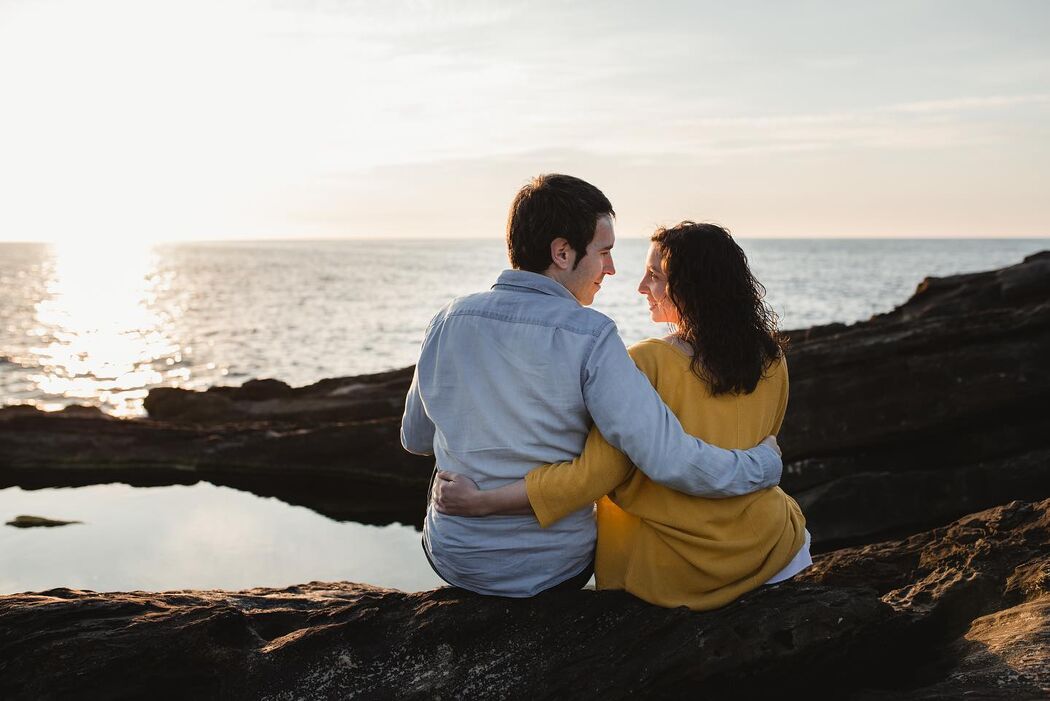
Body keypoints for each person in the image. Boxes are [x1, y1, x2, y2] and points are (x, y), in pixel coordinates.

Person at [401, 175, 783, 598]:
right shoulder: (593, 336)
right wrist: (762, 466)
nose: (612, 269)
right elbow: (669, 459)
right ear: (562, 252)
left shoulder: (449, 319)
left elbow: (415, 438)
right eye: (604, 252)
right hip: (555, 567)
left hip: (455, 556)